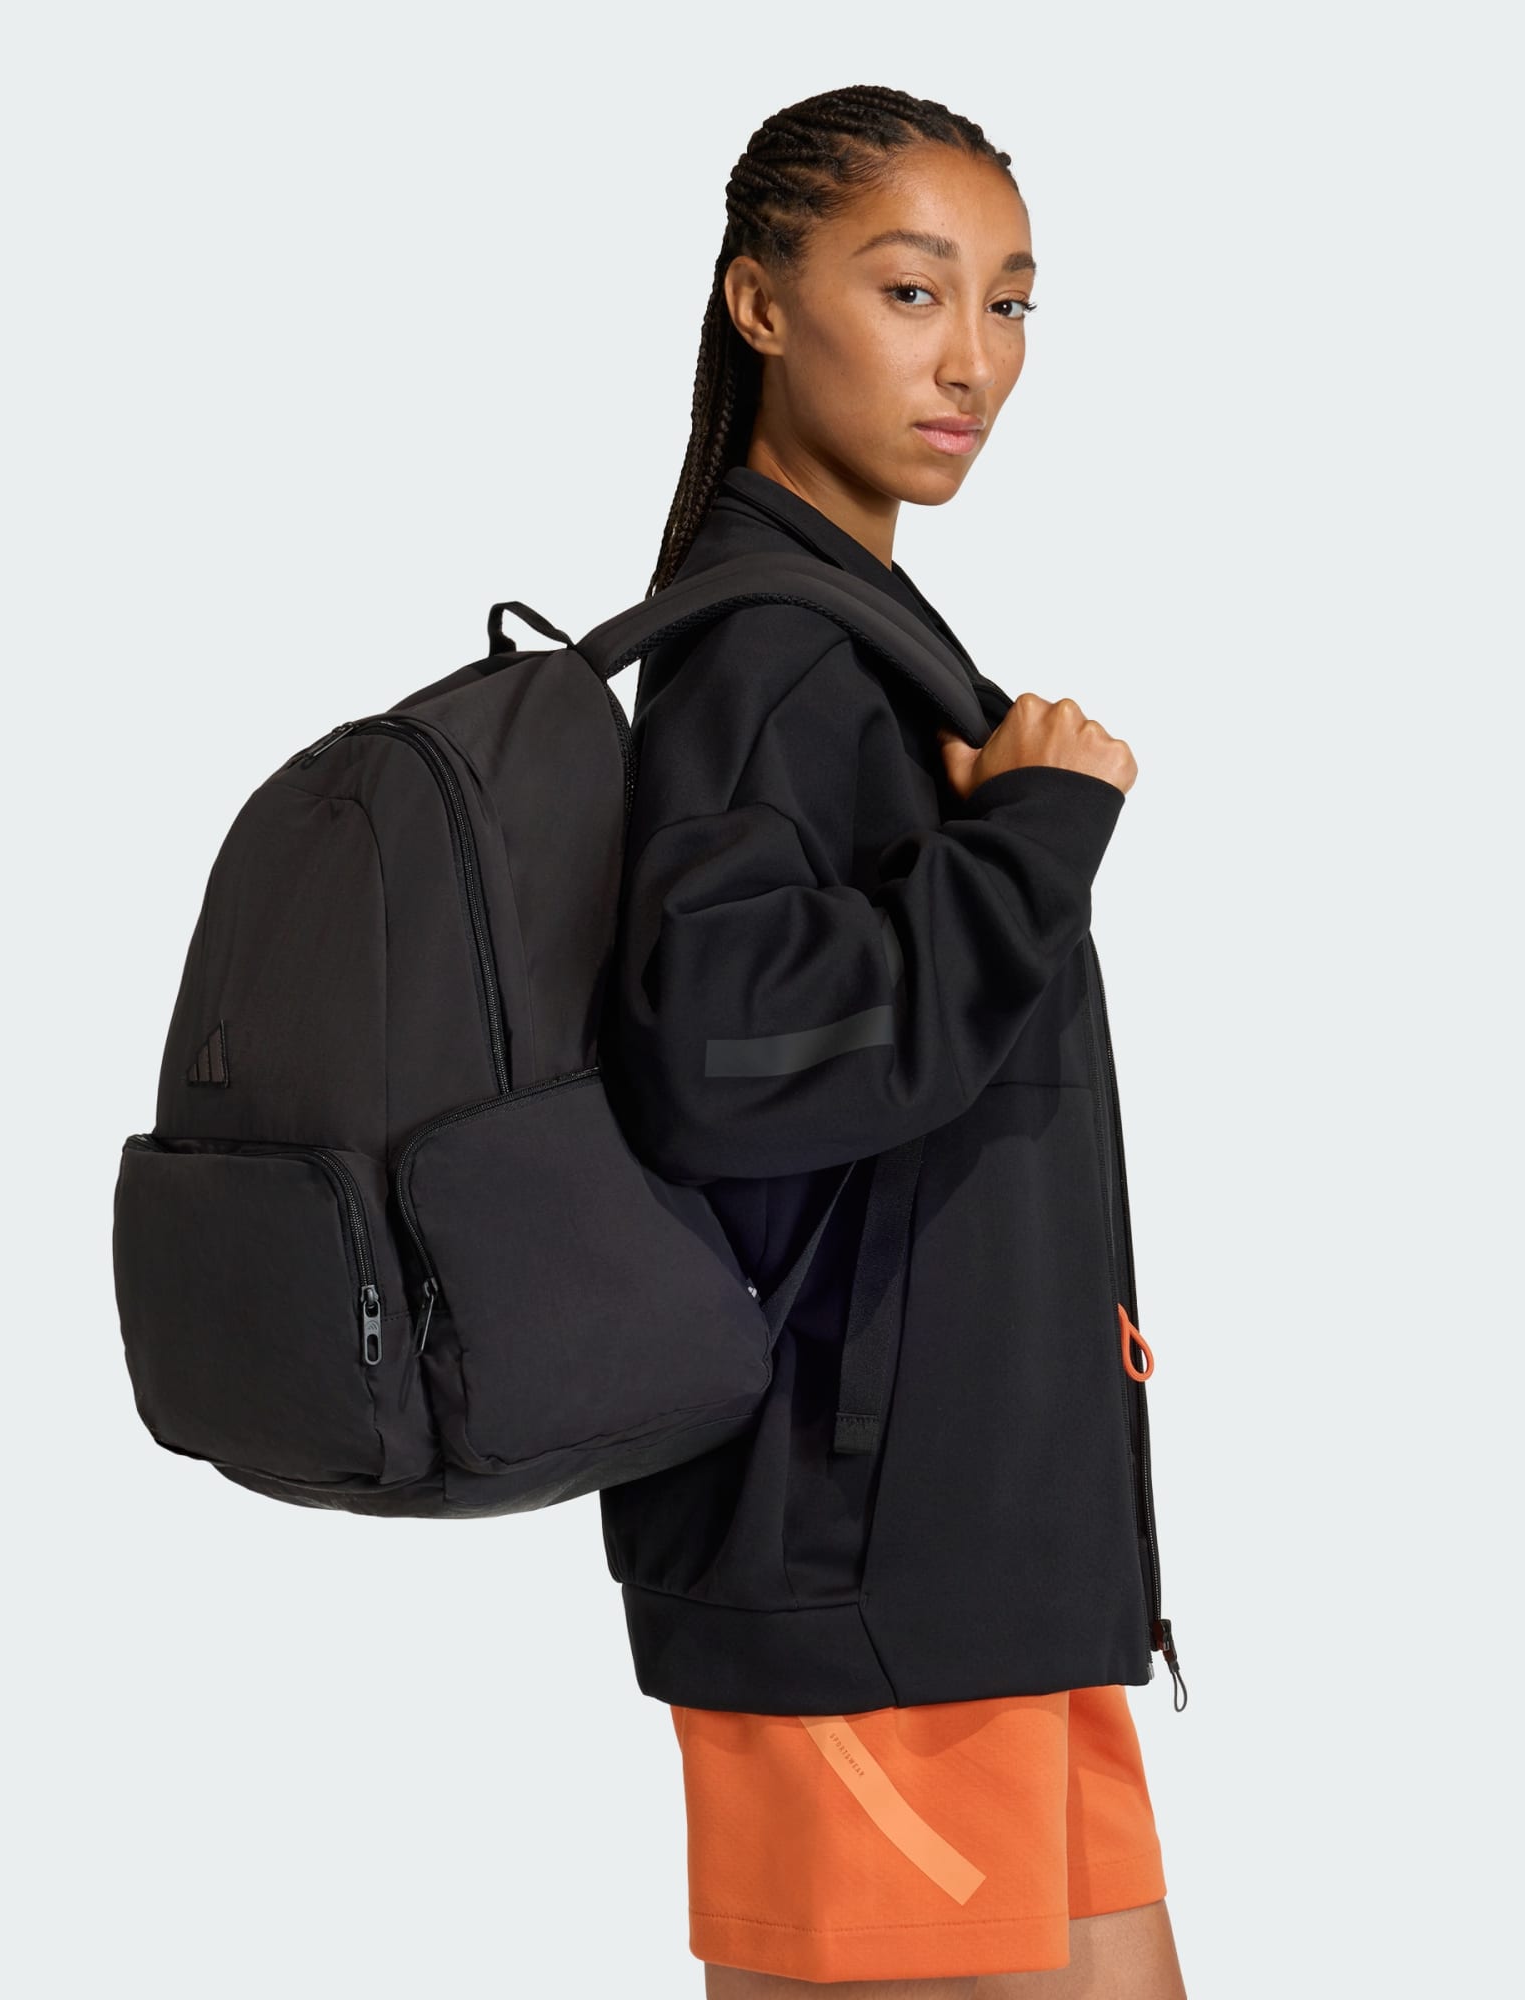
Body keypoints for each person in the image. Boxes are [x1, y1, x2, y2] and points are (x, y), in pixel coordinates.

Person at [598, 85, 1186, 1995]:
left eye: (1010, 303)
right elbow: (730, 1053)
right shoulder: (764, 654)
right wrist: (1032, 842)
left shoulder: (853, 630)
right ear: (763, 306)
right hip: (869, 1569)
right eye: (914, 290)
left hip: (984, 1551)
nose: (973, 362)